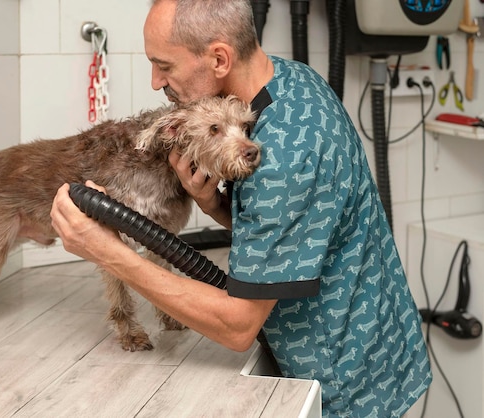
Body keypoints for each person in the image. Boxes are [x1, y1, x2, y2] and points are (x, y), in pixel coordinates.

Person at [50, 0, 432, 416]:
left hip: (347, 388)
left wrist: (107, 251)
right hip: (387, 343)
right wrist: (215, 204)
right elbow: (303, 226)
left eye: (165, 65)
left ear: (218, 58)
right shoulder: (293, 79)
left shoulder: (283, 155)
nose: (156, 80)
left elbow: (237, 325)